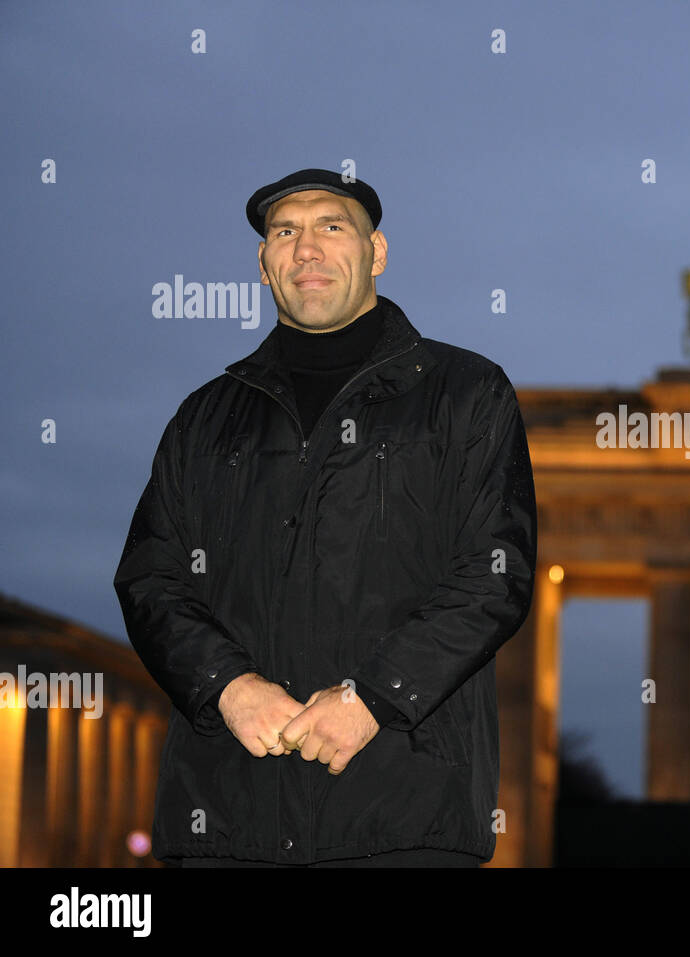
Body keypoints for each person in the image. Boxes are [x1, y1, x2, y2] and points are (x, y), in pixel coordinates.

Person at [113, 168, 537, 867]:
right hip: (229, 820)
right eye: (286, 232)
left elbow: (495, 574)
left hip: (406, 819)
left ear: (377, 253)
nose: (306, 248)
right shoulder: (202, 417)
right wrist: (228, 686)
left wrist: (373, 698)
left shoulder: (468, 393)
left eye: (331, 226)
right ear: (263, 263)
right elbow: (150, 579)